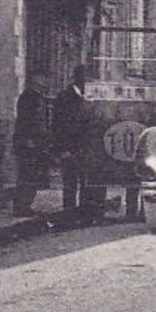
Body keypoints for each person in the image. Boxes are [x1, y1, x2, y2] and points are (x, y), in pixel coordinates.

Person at [52, 65, 105, 220]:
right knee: (70, 182)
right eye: (87, 79)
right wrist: (62, 149)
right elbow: (58, 125)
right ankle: (68, 213)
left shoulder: (93, 98)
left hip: (88, 148)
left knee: (87, 181)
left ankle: (85, 212)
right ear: (78, 79)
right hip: (71, 147)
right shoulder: (64, 97)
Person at [11, 76, 52, 216]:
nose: (47, 82)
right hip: (29, 143)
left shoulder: (36, 97)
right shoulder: (29, 97)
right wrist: (32, 140)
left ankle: (25, 205)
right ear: (37, 81)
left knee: (32, 175)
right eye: (45, 79)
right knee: (27, 175)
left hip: (33, 142)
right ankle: (21, 206)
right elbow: (28, 121)